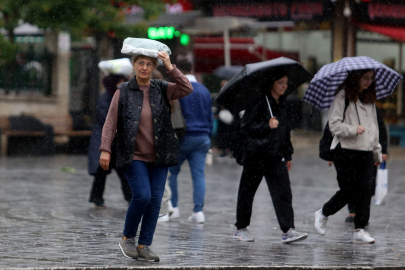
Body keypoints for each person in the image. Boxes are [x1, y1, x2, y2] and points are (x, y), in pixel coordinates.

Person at [99, 52, 192, 261]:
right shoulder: (122, 91)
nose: (144, 67)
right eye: (140, 63)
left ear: (153, 67)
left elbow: (187, 88)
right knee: (142, 195)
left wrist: (170, 66)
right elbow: (110, 121)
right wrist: (105, 148)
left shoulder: (161, 88)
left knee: (155, 202)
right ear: (134, 65)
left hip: (160, 155)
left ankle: (144, 245)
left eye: (149, 64)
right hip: (133, 154)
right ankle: (128, 237)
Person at [233, 70, 308, 243]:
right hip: (256, 154)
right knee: (247, 192)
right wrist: (266, 125)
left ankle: (288, 230)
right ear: (272, 83)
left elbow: (284, 131)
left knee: (283, 193)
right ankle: (241, 228)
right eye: (280, 82)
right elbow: (245, 128)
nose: (284, 86)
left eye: (286, 82)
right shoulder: (259, 101)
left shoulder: (283, 103)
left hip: (276, 155)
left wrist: (288, 153)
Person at [314, 69, 382, 244]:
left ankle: (360, 228)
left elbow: (374, 127)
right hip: (346, 150)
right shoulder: (342, 96)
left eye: (371, 78)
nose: (368, 81)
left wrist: (377, 151)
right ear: (355, 78)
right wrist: (353, 129)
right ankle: (323, 212)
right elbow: (334, 125)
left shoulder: (369, 98)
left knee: (365, 190)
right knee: (349, 190)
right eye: (364, 78)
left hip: (365, 151)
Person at [168, 59, 213, 223]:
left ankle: (173, 208)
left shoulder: (178, 89)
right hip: (203, 137)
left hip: (183, 137)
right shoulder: (204, 90)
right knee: (198, 175)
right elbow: (209, 116)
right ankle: (198, 211)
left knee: (171, 173)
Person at [326, 108, 388, 223]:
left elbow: (378, 129)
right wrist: (329, 153)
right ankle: (352, 211)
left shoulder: (370, 105)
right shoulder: (344, 103)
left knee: (366, 186)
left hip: (367, 151)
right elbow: (331, 128)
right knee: (350, 185)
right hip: (348, 150)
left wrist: (381, 151)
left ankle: (361, 221)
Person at [88, 74, 131, 208]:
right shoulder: (105, 98)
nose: (122, 84)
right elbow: (105, 118)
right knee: (101, 173)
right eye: (120, 81)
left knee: (124, 173)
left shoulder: (121, 96)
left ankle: (131, 198)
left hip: (117, 143)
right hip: (105, 141)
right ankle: (97, 199)